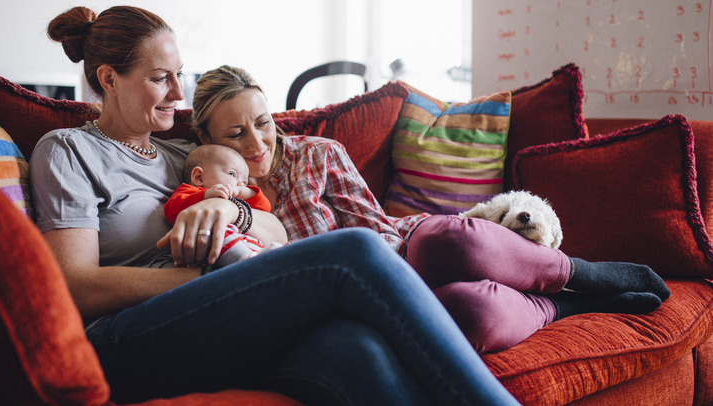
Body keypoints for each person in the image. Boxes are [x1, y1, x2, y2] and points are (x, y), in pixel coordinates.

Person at [30, 5, 522, 405]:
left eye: (180, 75)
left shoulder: (186, 153)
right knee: (353, 252)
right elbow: (76, 286)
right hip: (125, 338)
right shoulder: (67, 150)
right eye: (162, 78)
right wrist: (213, 277)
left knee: (359, 351)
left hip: (220, 313)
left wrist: (230, 211)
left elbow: (277, 230)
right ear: (109, 79)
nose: (179, 94)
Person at [190, 64, 671, 354]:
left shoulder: (316, 153)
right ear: (207, 140)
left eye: (263, 123)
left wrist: (397, 277)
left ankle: (583, 272)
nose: (257, 144)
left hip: (399, 250)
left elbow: (375, 229)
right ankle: (565, 304)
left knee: (449, 241)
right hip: (354, 300)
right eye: (235, 135)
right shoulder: (207, 193)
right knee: (472, 313)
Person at [164, 143, 281, 271]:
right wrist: (205, 196)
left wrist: (247, 192)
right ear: (198, 177)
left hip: (247, 246)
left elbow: (265, 208)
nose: (240, 184)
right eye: (232, 174)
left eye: (244, 181)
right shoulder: (188, 192)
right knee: (217, 229)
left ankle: (265, 256)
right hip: (204, 252)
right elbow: (172, 211)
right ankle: (247, 260)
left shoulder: (237, 198)